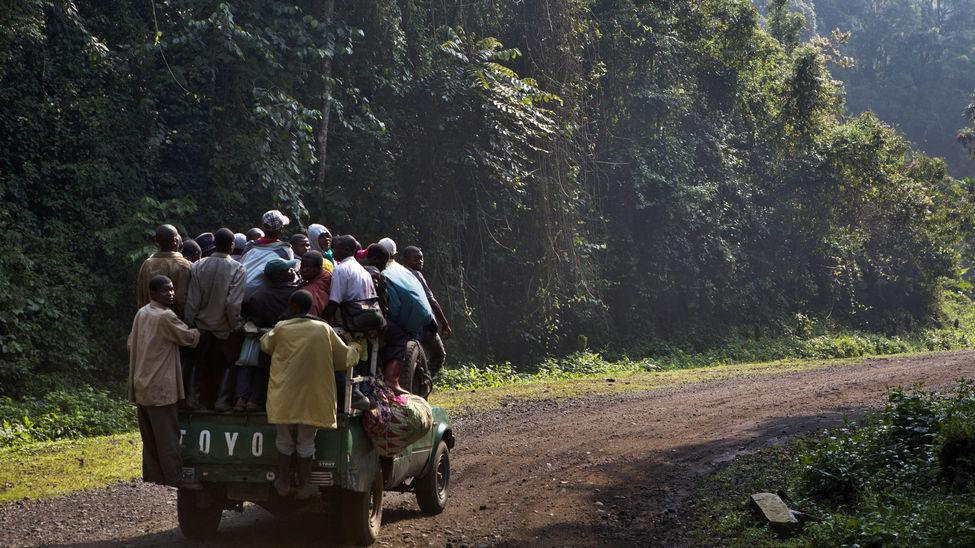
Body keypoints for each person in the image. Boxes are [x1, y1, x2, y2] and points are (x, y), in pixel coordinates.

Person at [261, 290, 361, 498]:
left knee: (284, 439)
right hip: (313, 395)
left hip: (284, 395)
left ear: (293, 307)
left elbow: (265, 345)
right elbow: (343, 358)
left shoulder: (281, 328)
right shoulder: (323, 328)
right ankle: (306, 484)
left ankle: (284, 481)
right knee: (306, 441)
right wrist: (356, 347)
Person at [128, 275, 200, 486]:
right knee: (168, 435)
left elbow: (130, 343)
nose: (170, 293)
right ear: (153, 293)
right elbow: (188, 338)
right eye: (165, 290)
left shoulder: (141, 313)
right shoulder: (166, 316)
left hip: (141, 382)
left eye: (171, 290)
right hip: (160, 386)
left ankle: (154, 474)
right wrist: (202, 331)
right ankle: (174, 476)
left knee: (149, 437)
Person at [184, 228, 246, 411]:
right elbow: (233, 304)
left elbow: (192, 299)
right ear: (232, 245)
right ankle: (222, 400)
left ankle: (192, 399)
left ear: (214, 245)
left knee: (198, 363)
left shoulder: (198, 265)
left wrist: (189, 322)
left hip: (201, 326)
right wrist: (236, 325)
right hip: (224, 328)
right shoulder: (238, 268)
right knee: (229, 363)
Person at [364, 245, 433, 394]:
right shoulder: (386, 274)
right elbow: (392, 306)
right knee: (399, 335)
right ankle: (391, 380)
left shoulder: (359, 270)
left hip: (355, 316)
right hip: (370, 318)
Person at [236, 258, 299, 412]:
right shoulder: (295, 295)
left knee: (257, 367)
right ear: (283, 275)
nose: (293, 271)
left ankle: (247, 400)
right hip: (287, 342)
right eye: (290, 270)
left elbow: (255, 318)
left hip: (262, 339)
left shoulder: (258, 296)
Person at [401, 246, 450, 377]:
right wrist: (444, 323)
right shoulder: (416, 275)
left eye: (422, 259)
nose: (420, 262)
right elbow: (431, 301)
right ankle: (424, 381)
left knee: (412, 359)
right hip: (424, 324)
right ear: (405, 260)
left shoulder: (397, 274)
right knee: (439, 355)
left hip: (405, 323)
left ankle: (417, 380)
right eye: (416, 259)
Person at [137, 225, 193, 318]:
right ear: (175, 241)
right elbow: (182, 300)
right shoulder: (183, 265)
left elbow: (141, 294)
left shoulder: (147, 264)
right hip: (174, 323)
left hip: (149, 319)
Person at [240, 210, 294, 297]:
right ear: (281, 229)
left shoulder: (249, 246)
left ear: (263, 227)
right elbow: (289, 277)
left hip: (239, 293)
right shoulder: (285, 251)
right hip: (262, 298)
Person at [299, 250, 331, 317]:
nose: (303, 270)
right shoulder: (325, 274)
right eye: (302, 266)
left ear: (318, 268)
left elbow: (308, 316)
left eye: (308, 267)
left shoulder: (309, 291)